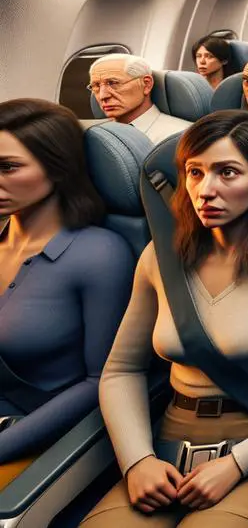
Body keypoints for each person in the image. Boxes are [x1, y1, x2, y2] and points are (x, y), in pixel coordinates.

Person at [82, 111, 248, 527]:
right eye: (195, 172)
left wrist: (237, 464)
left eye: (227, 172)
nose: (205, 190)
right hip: (168, 443)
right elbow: (121, 370)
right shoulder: (159, 258)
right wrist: (138, 460)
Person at [0, 100, 132, 489]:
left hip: (35, 437)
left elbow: (101, 381)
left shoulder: (99, 254)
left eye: (8, 167)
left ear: (57, 168)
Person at [88, 54, 191, 145]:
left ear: (146, 84)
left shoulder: (183, 136)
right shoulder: (93, 134)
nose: (102, 96)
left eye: (113, 83)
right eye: (96, 86)